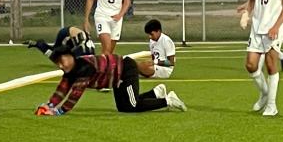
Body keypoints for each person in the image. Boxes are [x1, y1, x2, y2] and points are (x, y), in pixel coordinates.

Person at [29, 38, 186, 115]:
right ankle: (156, 92)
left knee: (132, 106)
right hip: (116, 78)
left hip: (125, 71)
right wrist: (49, 104)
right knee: (124, 108)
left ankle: (168, 100)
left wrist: (58, 111)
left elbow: (75, 94)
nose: (61, 65)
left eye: (62, 61)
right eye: (58, 63)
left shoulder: (83, 67)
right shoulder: (71, 70)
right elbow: (62, 89)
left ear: (69, 57)